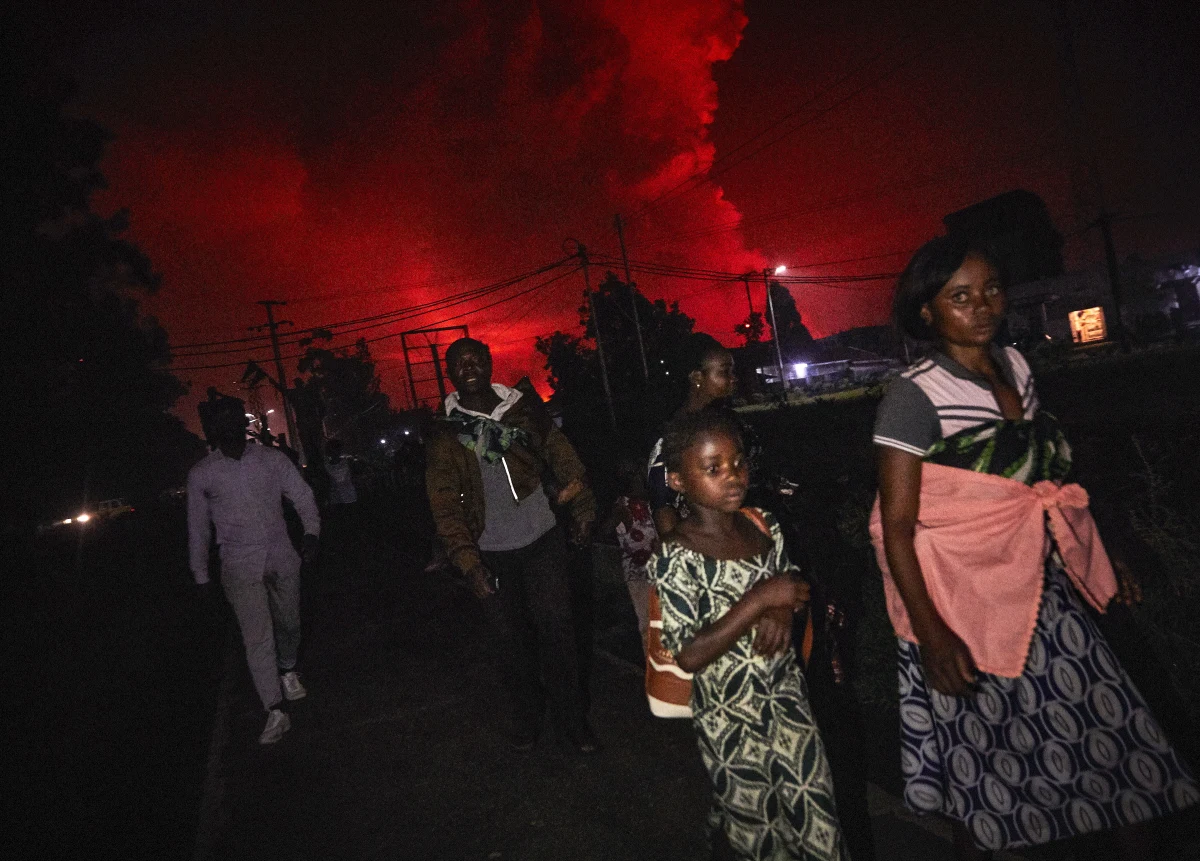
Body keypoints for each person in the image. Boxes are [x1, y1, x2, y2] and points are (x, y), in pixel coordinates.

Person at [871, 235, 1198, 858]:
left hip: (1042, 592)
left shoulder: (1017, 366)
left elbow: (1044, 484)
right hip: (961, 608)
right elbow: (897, 529)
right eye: (960, 296)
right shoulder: (913, 398)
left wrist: (1100, 556)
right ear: (927, 314)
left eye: (991, 289)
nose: (983, 305)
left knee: (1124, 747)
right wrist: (932, 634)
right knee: (987, 775)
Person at [649, 410, 847, 860]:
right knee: (760, 836)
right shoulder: (676, 556)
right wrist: (760, 600)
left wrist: (782, 604)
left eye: (738, 462)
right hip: (729, 721)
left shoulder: (763, 526)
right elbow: (689, 654)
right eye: (713, 468)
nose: (733, 477)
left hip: (788, 702)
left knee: (821, 825)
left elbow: (791, 586)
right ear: (679, 481)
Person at [425, 337, 599, 753]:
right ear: (449, 373)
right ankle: (528, 718)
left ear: (489, 364)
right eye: (459, 362)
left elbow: (565, 458)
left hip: (542, 538)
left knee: (559, 633)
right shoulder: (445, 433)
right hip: (491, 551)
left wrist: (584, 510)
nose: (468, 367)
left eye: (476, 359)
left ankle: (572, 723)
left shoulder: (522, 409)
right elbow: (444, 502)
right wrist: (468, 563)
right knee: (510, 644)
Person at [187, 397, 320, 745]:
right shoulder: (202, 474)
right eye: (220, 420)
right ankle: (274, 709)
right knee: (257, 637)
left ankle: (288, 668)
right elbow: (198, 528)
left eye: (234, 417)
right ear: (212, 428)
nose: (228, 425)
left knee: (289, 622)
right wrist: (201, 575)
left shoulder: (271, 460)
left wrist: (311, 532)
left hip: (280, 555)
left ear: (243, 422)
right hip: (238, 565)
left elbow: (302, 496)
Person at [647, 333, 736, 538]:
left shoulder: (723, 423)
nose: (733, 378)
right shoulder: (676, 435)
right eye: (725, 372)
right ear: (697, 377)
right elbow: (662, 505)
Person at [599, 457, 658, 639]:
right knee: (647, 623)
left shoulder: (652, 504)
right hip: (638, 574)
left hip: (658, 571)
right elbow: (605, 530)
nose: (643, 479)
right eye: (637, 475)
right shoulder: (624, 506)